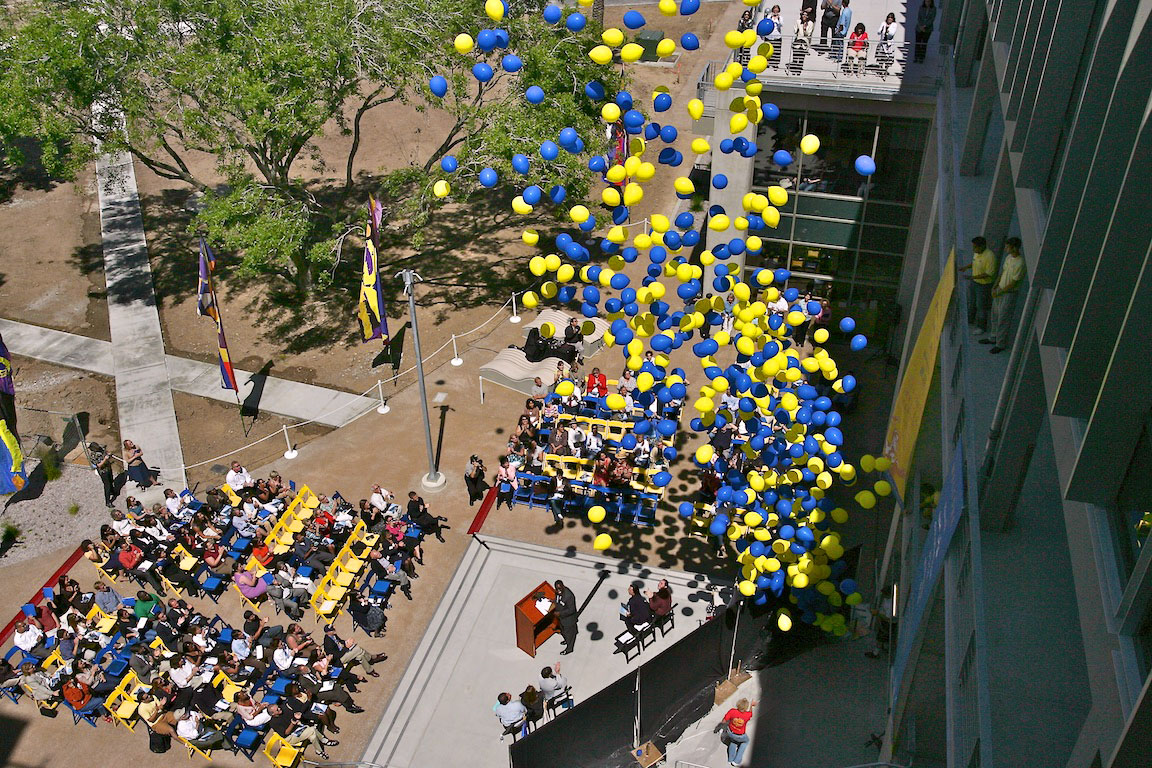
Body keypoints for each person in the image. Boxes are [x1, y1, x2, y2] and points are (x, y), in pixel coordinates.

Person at [982, 236, 1026, 353]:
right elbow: (1003, 273)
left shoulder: (1020, 263)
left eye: (1008, 247)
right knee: (995, 314)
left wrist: (999, 291)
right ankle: (993, 337)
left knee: (1003, 318)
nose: (1006, 249)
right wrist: (995, 286)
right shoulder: (1008, 258)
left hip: (1009, 293)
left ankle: (1000, 344)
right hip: (1000, 289)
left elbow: (1013, 283)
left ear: (1014, 248)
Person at [268, 702, 339, 759]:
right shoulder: (273, 723)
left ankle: (319, 751)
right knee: (312, 729)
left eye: (278, 707)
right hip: (290, 737)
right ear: (273, 714)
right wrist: (293, 723)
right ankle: (324, 740)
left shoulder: (283, 710)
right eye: (277, 710)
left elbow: (293, 717)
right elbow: (286, 733)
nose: (279, 709)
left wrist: (296, 717)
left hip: (297, 729)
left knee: (313, 736)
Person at [959, 235, 998, 333]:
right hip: (974, 283)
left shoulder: (990, 257)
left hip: (984, 285)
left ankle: (982, 327)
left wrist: (971, 277)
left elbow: (988, 274)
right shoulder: (977, 253)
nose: (973, 249)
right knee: (972, 302)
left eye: (975, 247)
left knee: (981, 306)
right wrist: (966, 267)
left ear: (982, 246)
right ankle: (970, 320)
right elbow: (975, 263)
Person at [722, 699, 756, 765]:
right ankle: (736, 761)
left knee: (733, 742)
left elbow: (724, 720)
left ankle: (730, 759)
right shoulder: (747, 715)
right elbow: (750, 713)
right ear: (746, 707)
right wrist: (751, 706)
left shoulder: (732, 711)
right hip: (740, 735)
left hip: (730, 732)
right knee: (746, 742)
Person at [554, 579, 578, 655]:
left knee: (569, 634)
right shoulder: (558, 593)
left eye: (560, 588)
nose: (558, 590)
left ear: (563, 586)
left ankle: (569, 648)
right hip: (561, 618)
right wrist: (552, 601)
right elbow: (557, 600)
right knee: (563, 631)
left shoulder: (569, 596)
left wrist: (560, 613)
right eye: (557, 589)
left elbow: (571, 610)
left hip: (568, 619)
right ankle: (567, 640)